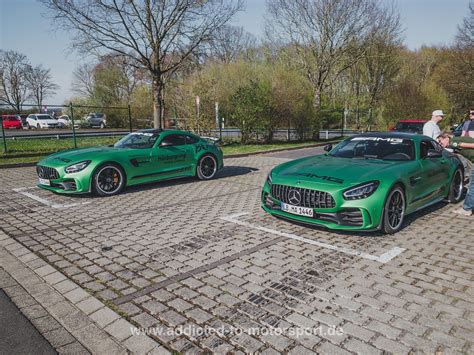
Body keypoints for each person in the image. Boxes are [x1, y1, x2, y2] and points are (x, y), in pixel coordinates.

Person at [438, 133, 474, 216]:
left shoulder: (454, 143)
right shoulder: (454, 143)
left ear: (446, 138)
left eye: (440, 141)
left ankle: (467, 209)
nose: (440, 143)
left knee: (472, 187)